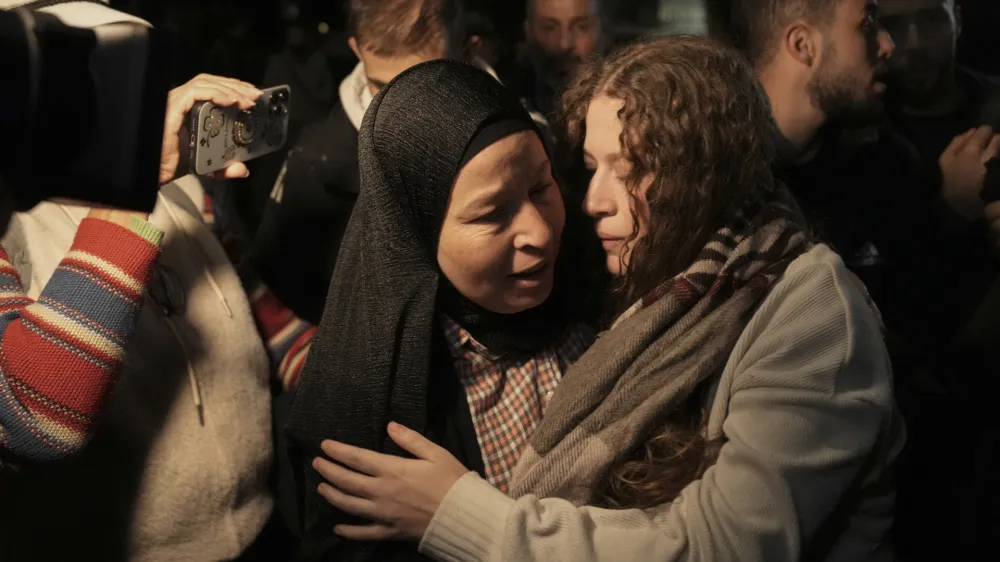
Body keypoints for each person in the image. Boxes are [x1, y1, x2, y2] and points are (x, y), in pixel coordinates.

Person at [308, 36, 903, 562]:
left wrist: (462, 515)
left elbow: (724, 546)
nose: (592, 200)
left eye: (633, 167)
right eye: (591, 166)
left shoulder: (810, 309)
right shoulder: (640, 282)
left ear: (709, 169)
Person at [285, 60, 597, 562]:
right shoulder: (373, 403)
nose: (540, 234)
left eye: (542, 188)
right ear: (416, 230)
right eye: (493, 213)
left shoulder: (597, 301)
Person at [722, 0, 999, 556]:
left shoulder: (883, 163)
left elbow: (934, 331)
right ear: (804, 45)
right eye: (868, 24)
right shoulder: (718, 179)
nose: (891, 45)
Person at [0, 75, 278, 562]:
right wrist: (124, 189)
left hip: (261, 525)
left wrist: (325, 367)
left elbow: (246, 296)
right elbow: (30, 419)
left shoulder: (174, 174)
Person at [248, 0, 469, 326]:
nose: (404, 105)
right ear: (356, 47)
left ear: (466, 47)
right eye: (383, 86)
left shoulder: (509, 126)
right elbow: (281, 288)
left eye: (428, 82)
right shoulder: (316, 165)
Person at [880, 0, 1000, 178]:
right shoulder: (853, 139)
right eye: (891, 25)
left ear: (957, 21)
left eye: (931, 18)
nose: (915, 44)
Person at [516, 0, 604, 119]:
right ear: (528, 31)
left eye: (582, 27)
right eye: (549, 28)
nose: (564, 44)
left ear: (602, 30)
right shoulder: (506, 104)